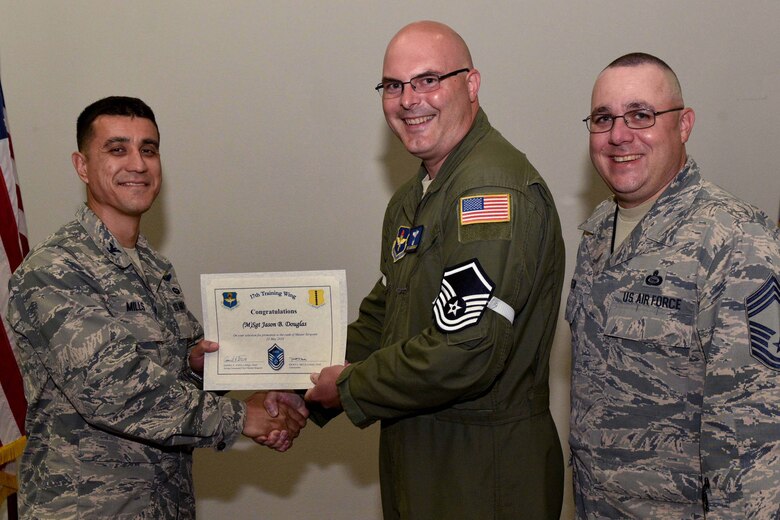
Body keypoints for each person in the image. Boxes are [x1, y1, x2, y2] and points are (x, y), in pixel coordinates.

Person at [305, 21, 565, 519]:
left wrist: (348, 387)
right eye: (394, 85)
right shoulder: (413, 198)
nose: (408, 100)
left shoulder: (490, 193)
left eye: (428, 80)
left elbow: (467, 346)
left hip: (483, 473)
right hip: (419, 460)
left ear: (471, 85)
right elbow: (384, 318)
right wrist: (299, 383)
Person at [6, 96, 308, 519]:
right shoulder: (54, 270)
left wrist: (205, 369)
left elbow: (168, 381)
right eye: (117, 149)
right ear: (82, 165)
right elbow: (114, 391)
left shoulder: (154, 268)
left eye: (149, 149)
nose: (138, 163)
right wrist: (243, 417)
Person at [568, 53, 780, 518]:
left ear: (683, 124)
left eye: (641, 115)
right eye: (603, 118)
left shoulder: (737, 243)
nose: (619, 135)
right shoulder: (598, 233)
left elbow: (758, 439)